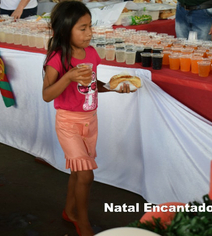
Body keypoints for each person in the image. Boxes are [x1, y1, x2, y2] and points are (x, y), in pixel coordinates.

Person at [42, 1, 135, 235]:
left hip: (90, 121)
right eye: (82, 28)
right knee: (86, 174)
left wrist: (114, 87)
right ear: (65, 30)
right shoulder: (57, 58)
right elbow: (46, 94)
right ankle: (82, 223)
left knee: (77, 172)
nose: (89, 33)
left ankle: (69, 211)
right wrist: (68, 77)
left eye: (90, 27)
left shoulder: (91, 53)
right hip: (68, 123)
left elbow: (93, 85)